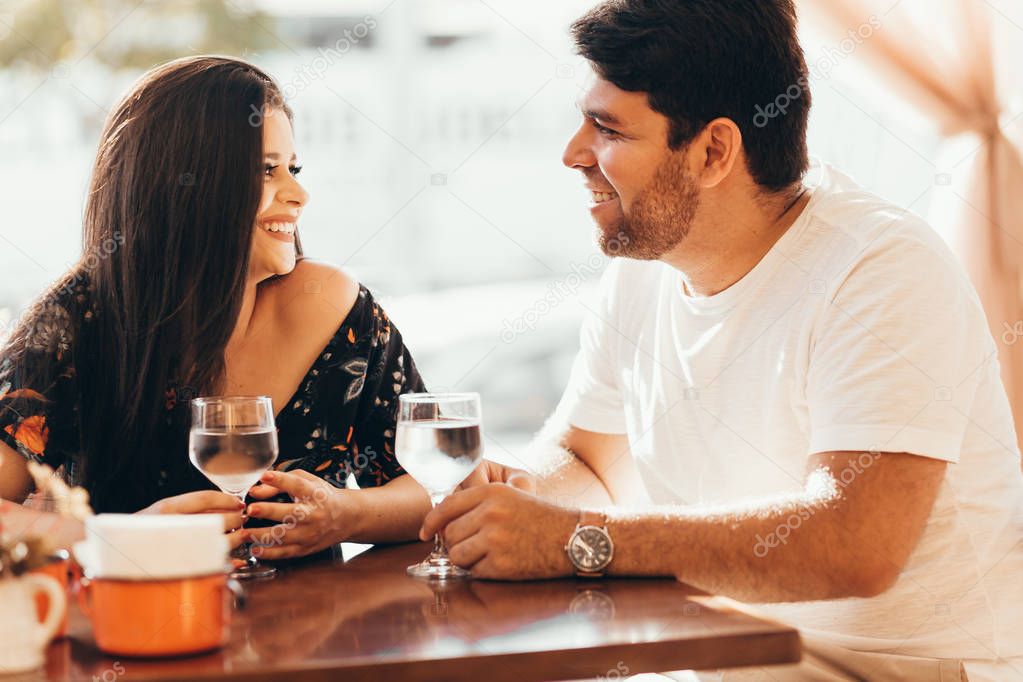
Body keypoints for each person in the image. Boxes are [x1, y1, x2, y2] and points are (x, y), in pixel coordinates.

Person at [421, 1, 1023, 679]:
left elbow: (854, 545)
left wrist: (574, 541)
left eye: (607, 128)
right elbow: (587, 459)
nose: (573, 153)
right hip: (731, 653)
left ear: (712, 151)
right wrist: (522, 498)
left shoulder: (880, 267)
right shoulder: (642, 274)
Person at [0, 56, 430, 560]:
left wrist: (344, 515)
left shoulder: (338, 311)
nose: (299, 194)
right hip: (146, 627)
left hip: (313, 634)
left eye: (292, 168)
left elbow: (435, 492)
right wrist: (122, 538)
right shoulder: (74, 323)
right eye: (266, 171)